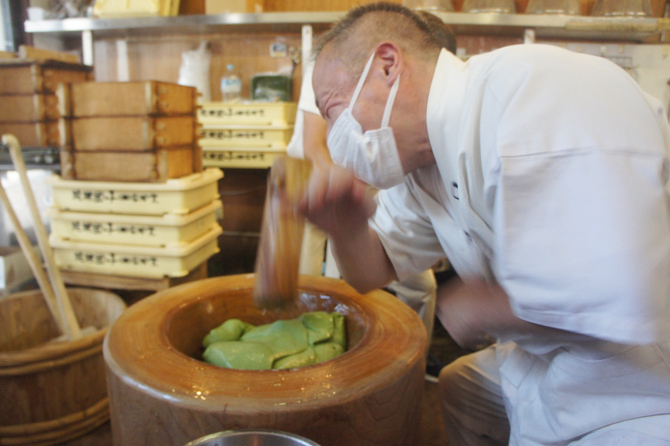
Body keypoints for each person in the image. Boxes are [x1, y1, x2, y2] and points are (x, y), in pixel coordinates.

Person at [301, 2, 670, 445]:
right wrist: (344, 227)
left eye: (334, 111)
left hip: (640, 373)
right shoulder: (422, 164)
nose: (335, 137)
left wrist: (485, 306)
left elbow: (621, 288)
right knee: (461, 387)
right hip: (548, 360)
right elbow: (369, 270)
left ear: (387, 64)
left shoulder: (533, 91)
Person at [286, 11, 457, 343]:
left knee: (420, 288)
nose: (335, 128)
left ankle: (415, 352)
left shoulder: (510, 104)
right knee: (324, 292)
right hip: (316, 185)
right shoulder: (333, 69)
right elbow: (314, 146)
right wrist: (345, 216)